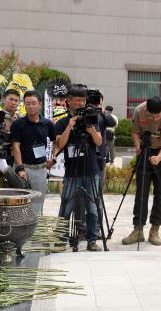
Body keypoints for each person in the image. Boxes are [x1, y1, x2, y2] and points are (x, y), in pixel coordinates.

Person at [121, 97, 161, 246]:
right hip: (145, 150)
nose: (154, 118)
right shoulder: (139, 111)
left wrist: (159, 157)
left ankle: (155, 230)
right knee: (141, 192)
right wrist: (137, 145)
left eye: (157, 115)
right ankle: (138, 230)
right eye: (151, 115)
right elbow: (135, 132)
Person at [53, 89, 104, 251]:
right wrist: (70, 126)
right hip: (72, 172)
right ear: (69, 101)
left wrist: (90, 130)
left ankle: (92, 240)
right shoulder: (62, 122)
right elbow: (60, 145)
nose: (80, 103)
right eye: (77, 100)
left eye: (83, 100)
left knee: (92, 207)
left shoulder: (91, 118)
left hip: (91, 170)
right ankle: (61, 240)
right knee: (66, 206)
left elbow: (99, 142)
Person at [10, 90, 56, 214]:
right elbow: (16, 147)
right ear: (24, 105)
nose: (30, 106)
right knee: (19, 202)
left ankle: (35, 229)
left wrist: (54, 158)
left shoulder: (47, 124)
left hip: (40, 169)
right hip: (23, 168)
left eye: (33, 103)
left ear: (40, 104)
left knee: (37, 204)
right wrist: (20, 168)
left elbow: (56, 141)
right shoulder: (18, 124)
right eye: (27, 103)